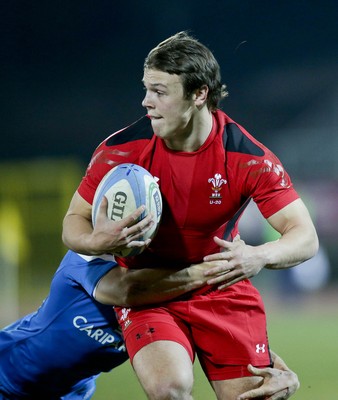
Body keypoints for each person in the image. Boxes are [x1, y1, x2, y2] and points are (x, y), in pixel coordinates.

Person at [62, 31, 318, 399]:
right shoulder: (121, 151)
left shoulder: (247, 157)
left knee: (257, 395)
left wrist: (259, 256)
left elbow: (304, 236)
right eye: (147, 88)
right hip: (151, 290)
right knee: (170, 389)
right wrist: (94, 241)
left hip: (221, 284)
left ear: (199, 95)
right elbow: (73, 222)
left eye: (160, 92)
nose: (146, 102)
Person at [0, 210, 299, 399]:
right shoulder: (90, 259)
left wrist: (266, 363)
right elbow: (127, 290)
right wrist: (212, 269)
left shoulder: (168, 286)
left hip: (71, 392)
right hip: (7, 374)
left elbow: (211, 332)